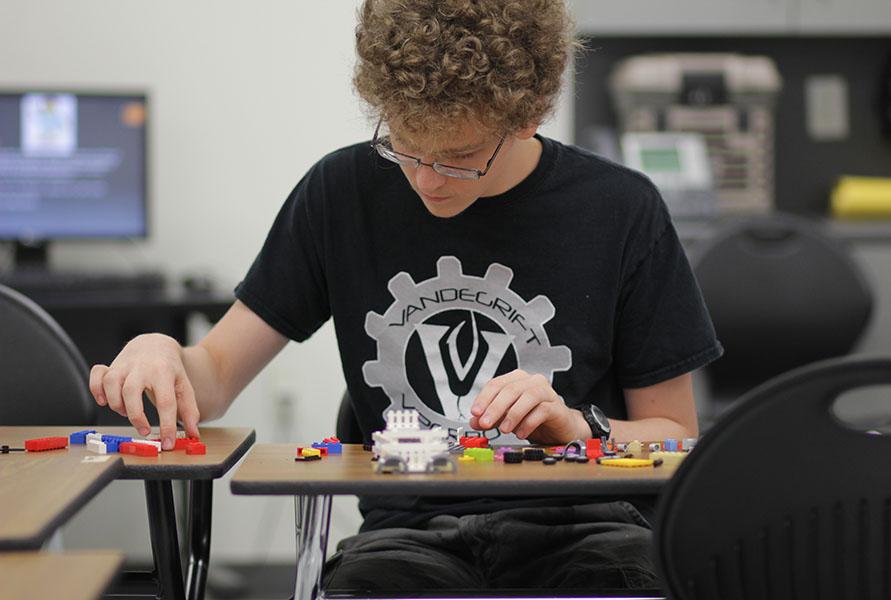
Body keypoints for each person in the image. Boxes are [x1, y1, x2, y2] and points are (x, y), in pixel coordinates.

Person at [90, 0, 722, 592]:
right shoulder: (341, 193)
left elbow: (676, 437)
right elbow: (217, 374)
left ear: (528, 114)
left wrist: (576, 427)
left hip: (588, 529)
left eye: (458, 157)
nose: (424, 181)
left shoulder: (620, 209)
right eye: (403, 145)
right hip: (407, 540)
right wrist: (161, 352)